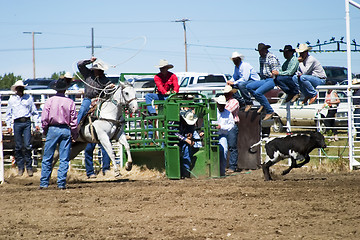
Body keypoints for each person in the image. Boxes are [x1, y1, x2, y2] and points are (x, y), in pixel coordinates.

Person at [39, 78, 78, 189]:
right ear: (65, 90)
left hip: (52, 129)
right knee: (64, 158)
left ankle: (44, 183)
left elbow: (44, 118)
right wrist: (74, 134)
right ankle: (61, 183)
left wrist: (45, 129)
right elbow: (74, 121)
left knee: (47, 157)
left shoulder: (50, 101)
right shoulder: (70, 102)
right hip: (65, 129)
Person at [6, 80, 41, 177]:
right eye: (19, 88)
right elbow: (8, 114)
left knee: (27, 145)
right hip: (17, 122)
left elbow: (34, 111)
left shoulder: (28, 98)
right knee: (18, 146)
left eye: (22, 88)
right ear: (16, 89)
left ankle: (29, 167)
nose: (20, 89)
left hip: (26, 122)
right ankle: (21, 167)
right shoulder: (12, 99)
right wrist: (9, 126)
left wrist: (37, 123)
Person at [247, 43, 281, 121]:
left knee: (258, 92)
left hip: (272, 79)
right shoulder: (261, 58)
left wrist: (276, 80)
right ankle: (262, 103)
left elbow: (276, 71)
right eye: (259, 51)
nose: (260, 52)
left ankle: (269, 111)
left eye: (261, 51)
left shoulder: (271, 57)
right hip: (264, 79)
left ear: (265, 50)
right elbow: (262, 70)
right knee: (249, 86)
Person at [77, 57, 114, 123]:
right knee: (82, 110)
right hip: (88, 99)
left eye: (101, 70)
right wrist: (90, 61)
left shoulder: (104, 79)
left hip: (99, 100)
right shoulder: (87, 74)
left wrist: (111, 87)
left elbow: (108, 90)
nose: (101, 72)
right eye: (99, 70)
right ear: (94, 69)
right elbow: (80, 64)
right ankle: (75, 128)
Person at [175, 109, 202, 178]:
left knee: (187, 149)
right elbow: (174, 132)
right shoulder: (176, 122)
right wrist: (186, 139)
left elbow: (191, 131)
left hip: (183, 142)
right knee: (176, 150)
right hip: (174, 141)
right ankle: (179, 172)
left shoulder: (190, 125)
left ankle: (185, 172)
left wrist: (190, 136)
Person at [214, 95, 235, 176]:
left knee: (224, 150)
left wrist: (221, 127)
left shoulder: (228, 113)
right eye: (220, 104)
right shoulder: (213, 112)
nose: (221, 106)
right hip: (213, 134)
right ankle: (214, 169)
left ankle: (221, 171)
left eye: (223, 105)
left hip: (222, 135)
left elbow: (231, 125)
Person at [223, 85, 240, 173]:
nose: (225, 95)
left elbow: (227, 110)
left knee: (232, 146)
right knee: (225, 146)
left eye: (227, 93)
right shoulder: (224, 102)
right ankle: (224, 165)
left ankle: (232, 166)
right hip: (223, 125)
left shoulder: (234, 102)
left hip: (231, 125)